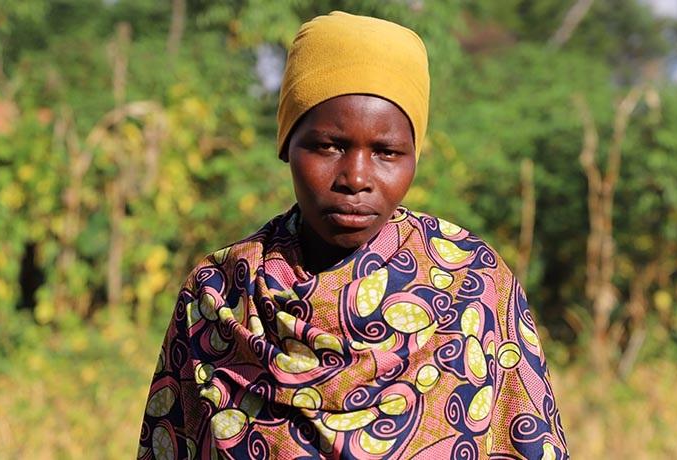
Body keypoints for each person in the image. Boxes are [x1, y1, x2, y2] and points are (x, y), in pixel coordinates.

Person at [138, 11, 568, 460]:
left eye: (387, 152)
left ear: (414, 157)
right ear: (287, 144)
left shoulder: (472, 283)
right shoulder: (219, 294)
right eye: (328, 146)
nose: (355, 178)